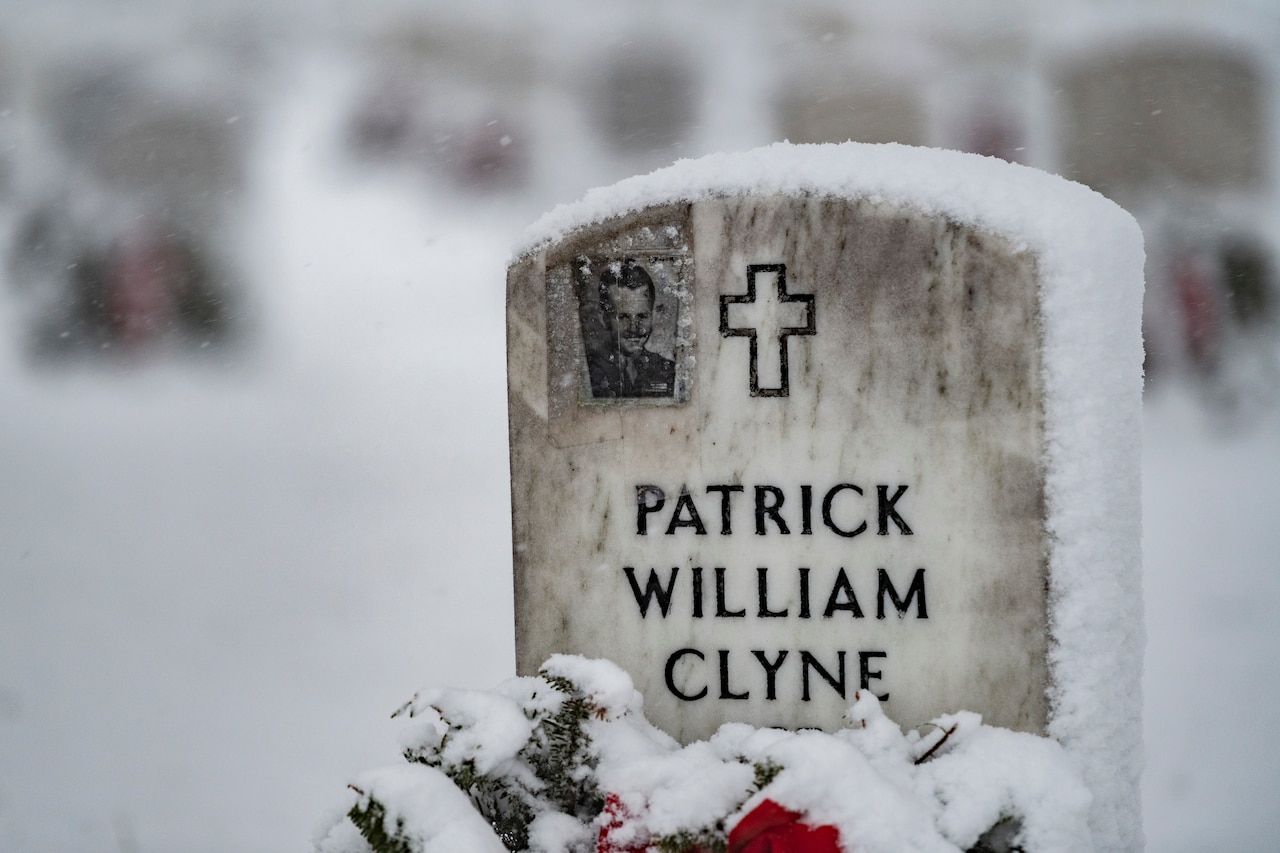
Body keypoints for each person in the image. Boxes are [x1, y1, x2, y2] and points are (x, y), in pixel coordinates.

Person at [587, 260, 675, 398]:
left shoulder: (669, 371)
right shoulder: (588, 372)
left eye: (642, 316)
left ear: (653, 315)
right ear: (604, 319)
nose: (634, 328)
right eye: (623, 317)